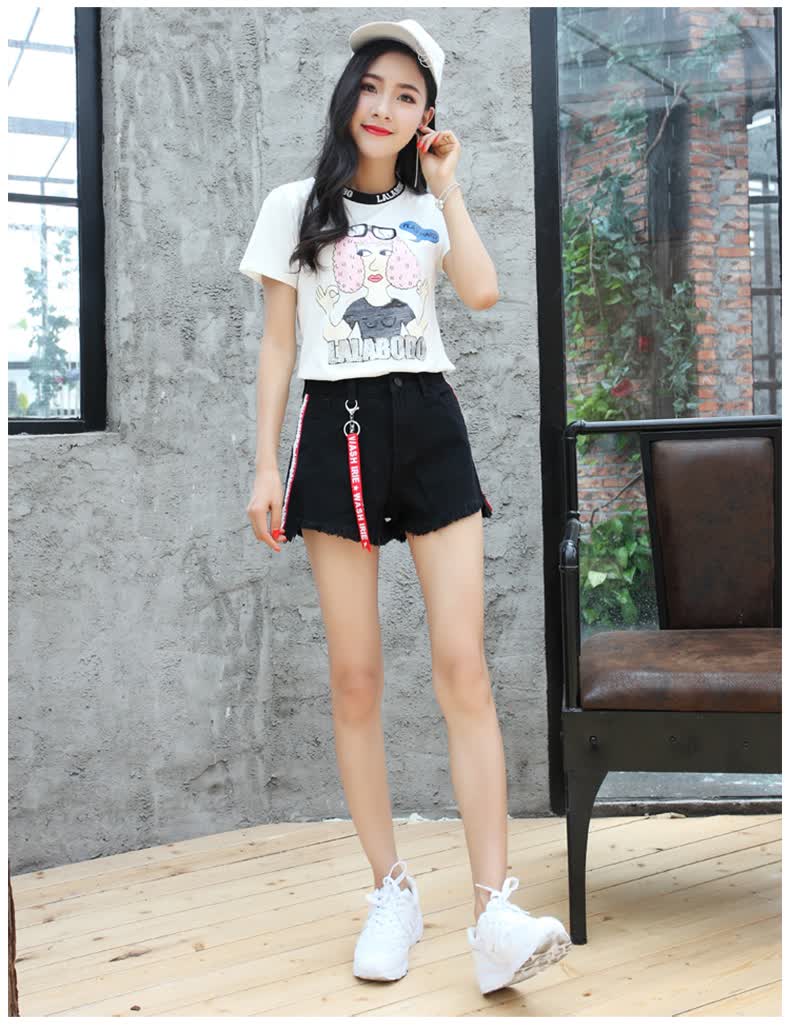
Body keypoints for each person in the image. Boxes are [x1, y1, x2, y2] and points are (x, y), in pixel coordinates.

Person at [240, 17, 571, 996]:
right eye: (373, 87)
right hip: (332, 428)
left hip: (427, 420)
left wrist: (450, 185)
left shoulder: (430, 205)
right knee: (355, 679)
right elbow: (276, 344)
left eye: (408, 95)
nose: (384, 107)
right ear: (349, 93)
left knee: (463, 667)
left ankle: (493, 911)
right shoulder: (293, 206)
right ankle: (391, 890)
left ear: (428, 116)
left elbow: (483, 291)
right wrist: (263, 465)